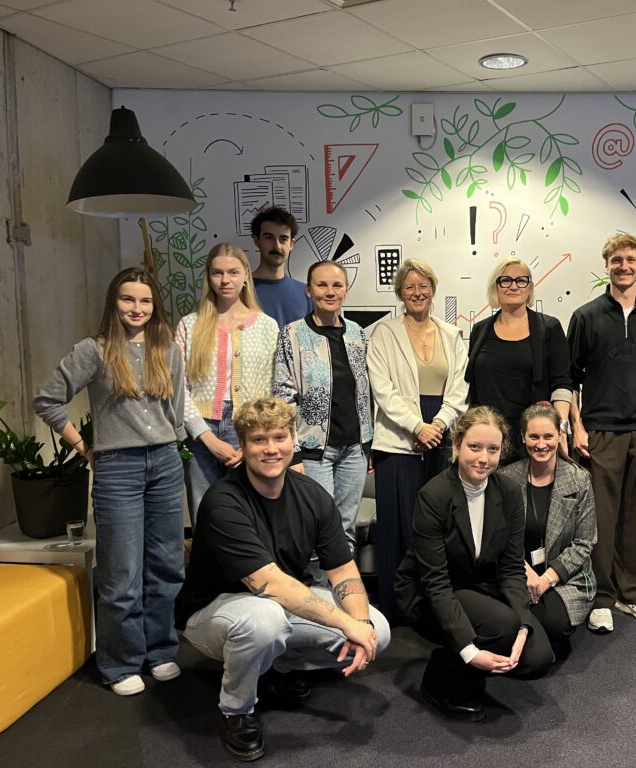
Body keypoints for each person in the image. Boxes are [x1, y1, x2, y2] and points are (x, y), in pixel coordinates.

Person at [175, 397, 390, 762]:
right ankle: (237, 710)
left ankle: (277, 666)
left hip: (278, 607)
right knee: (265, 620)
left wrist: (360, 622)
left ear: (293, 440)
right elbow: (270, 584)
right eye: (259, 440)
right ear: (243, 446)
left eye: (279, 437)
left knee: (377, 631)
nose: (271, 449)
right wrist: (345, 624)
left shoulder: (312, 496)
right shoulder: (223, 501)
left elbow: (342, 570)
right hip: (211, 613)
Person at [33, 267, 186, 696]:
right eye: (127, 299)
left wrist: (169, 446)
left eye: (145, 301)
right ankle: (120, 663)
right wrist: (85, 447)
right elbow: (47, 399)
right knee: (121, 571)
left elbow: (176, 411)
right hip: (118, 468)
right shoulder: (94, 350)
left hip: (166, 462)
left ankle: (160, 651)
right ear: (113, 303)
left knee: (167, 565)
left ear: (155, 306)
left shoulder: (168, 349)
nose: (137, 308)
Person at [395, 406, 553, 722]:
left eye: (493, 449)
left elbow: (511, 568)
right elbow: (436, 583)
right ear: (457, 446)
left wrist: (524, 624)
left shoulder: (509, 492)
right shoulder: (434, 495)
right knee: (500, 627)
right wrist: (470, 653)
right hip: (431, 593)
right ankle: (441, 678)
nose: (484, 458)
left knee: (537, 657)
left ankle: (465, 659)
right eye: (475, 447)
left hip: (480, 585)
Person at [568, 233, 636, 633]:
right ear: (607, 265)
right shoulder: (586, 316)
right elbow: (570, 378)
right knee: (600, 518)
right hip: (600, 431)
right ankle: (601, 597)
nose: (624, 266)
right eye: (616, 260)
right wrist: (577, 426)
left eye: (631, 259)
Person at [367, 259, 469, 620]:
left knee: (437, 527)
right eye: (409, 287)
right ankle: (394, 610)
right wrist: (417, 427)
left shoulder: (451, 334)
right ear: (399, 293)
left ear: (433, 289)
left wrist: (437, 425)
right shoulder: (384, 333)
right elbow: (382, 389)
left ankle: (433, 608)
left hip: (440, 436)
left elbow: (459, 388)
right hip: (398, 440)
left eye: (423, 286)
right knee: (398, 526)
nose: (417, 292)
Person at [273, 260, 372, 558]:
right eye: (322, 285)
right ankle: (316, 586)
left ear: (346, 290)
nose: (330, 292)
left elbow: (367, 391)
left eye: (337, 285)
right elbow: (282, 397)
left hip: (354, 449)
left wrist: (369, 443)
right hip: (314, 451)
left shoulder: (357, 334)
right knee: (317, 528)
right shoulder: (292, 335)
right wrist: (294, 453)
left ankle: (344, 586)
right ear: (309, 291)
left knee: (346, 530)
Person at [175, 243, 278, 526]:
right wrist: (206, 437)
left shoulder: (267, 326)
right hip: (200, 433)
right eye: (217, 273)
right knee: (205, 515)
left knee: (252, 516)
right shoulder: (189, 325)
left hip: (250, 429)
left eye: (233, 272)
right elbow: (177, 389)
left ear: (246, 275)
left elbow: (275, 389)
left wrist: (255, 439)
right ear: (208, 276)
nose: (225, 280)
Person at [498, 403, 597, 659]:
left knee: (554, 623)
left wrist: (546, 580)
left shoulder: (579, 480)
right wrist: (524, 571)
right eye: (534, 437)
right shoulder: (506, 478)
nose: (541, 444)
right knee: (505, 615)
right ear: (523, 437)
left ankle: (523, 638)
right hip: (517, 572)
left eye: (548, 436)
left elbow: (584, 543)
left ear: (559, 436)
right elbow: (498, 537)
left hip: (564, 577)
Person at [465, 257, 572, 462]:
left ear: (530, 288)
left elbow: (562, 384)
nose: (513, 286)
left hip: (533, 438)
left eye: (521, 280)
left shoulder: (549, 328)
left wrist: (560, 429)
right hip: (488, 436)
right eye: (505, 280)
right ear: (496, 287)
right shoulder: (480, 330)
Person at [250, 206, 311, 330]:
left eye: (283, 239)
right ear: (257, 240)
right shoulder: (240, 290)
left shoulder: (306, 294)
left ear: (292, 244)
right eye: (269, 238)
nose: (277, 246)